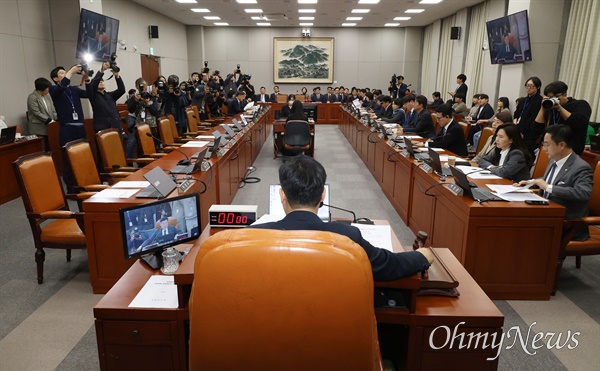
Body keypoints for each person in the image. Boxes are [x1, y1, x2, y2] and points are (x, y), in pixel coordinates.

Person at [250, 155, 433, 281]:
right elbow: (391, 265)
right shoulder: (347, 237)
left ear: (282, 195)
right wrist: (421, 256)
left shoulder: (252, 236)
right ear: (322, 195)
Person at [515, 125, 593, 241]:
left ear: (562, 145)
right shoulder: (554, 160)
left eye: (546, 144)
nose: (544, 148)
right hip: (546, 214)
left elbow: (583, 193)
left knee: (519, 229)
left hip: (566, 224)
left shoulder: (581, 167)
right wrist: (532, 182)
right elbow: (554, 179)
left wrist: (548, 187)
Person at [49, 64, 91, 192]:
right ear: (55, 79)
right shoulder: (54, 90)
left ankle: (85, 183)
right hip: (67, 128)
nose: (65, 74)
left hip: (80, 127)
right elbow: (62, 86)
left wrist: (87, 79)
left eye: (65, 72)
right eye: (62, 73)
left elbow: (90, 94)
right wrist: (71, 71)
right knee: (68, 157)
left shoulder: (74, 90)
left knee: (83, 156)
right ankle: (71, 187)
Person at [534, 81, 591, 155]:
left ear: (565, 95)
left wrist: (559, 108)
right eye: (550, 97)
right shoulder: (550, 107)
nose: (552, 100)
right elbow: (536, 128)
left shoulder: (580, 104)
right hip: (549, 151)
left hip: (570, 152)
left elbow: (579, 123)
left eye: (555, 97)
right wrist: (543, 107)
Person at [89, 61, 126, 132]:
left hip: (115, 127)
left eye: (102, 81)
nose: (101, 82)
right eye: (99, 81)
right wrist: (102, 70)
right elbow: (93, 85)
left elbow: (122, 90)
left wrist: (117, 75)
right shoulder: (93, 95)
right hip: (103, 129)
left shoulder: (110, 95)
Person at [515, 77, 543, 156]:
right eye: (527, 86)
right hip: (519, 129)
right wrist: (515, 120)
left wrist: (523, 131)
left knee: (526, 154)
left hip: (530, 133)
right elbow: (516, 113)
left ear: (538, 87)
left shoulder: (539, 101)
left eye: (531, 86)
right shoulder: (523, 100)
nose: (528, 88)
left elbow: (533, 118)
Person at [27, 77, 57, 150]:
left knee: (51, 148)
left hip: (49, 127)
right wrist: (49, 120)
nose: (48, 90)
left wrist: (56, 118)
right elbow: (36, 113)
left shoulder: (47, 96)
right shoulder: (32, 97)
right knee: (43, 149)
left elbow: (52, 109)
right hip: (38, 129)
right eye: (47, 88)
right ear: (42, 88)